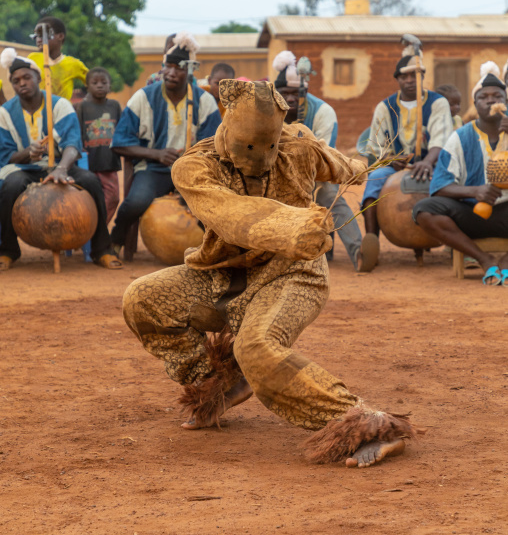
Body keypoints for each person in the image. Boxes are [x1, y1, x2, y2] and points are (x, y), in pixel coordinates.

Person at [122, 79, 419, 468]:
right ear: (227, 128)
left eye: (271, 146)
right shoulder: (194, 166)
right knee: (141, 298)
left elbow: (339, 163)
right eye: (250, 148)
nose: (262, 158)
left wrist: (363, 165)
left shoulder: (299, 144)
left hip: (293, 273)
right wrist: (295, 224)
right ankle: (221, 382)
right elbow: (229, 214)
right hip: (224, 275)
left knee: (255, 348)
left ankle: (373, 425)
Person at [0, 49, 121, 270]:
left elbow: (73, 144)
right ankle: (8, 250)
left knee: (92, 182)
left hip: (60, 164)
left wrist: (62, 169)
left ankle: (101, 249)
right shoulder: (5, 113)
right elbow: (5, 155)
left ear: (39, 77)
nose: (22, 83)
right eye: (16, 81)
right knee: (10, 186)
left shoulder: (59, 105)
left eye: (27, 77)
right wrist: (28, 152)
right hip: (23, 167)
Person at [110, 32, 222, 253]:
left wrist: (191, 171)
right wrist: (157, 154)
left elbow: (213, 147)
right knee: (135, 202)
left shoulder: (205, 101)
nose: (171, 73)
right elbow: (119, 142)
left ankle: (212, 255)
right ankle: (115, 242)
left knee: (210, 210)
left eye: (178, 68)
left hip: (193, 172)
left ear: (189, 70)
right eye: (168, 66)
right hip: (154, 169)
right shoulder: (143, 97)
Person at [271, 51, 376, 272]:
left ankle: (359, 253)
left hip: (318, 171)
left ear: (305, 92)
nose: (290, 98)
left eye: (295, 93)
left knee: (329, 195)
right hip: (275, 171)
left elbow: (321, 155)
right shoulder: (267, 111)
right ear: (275, 93)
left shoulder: (323, 112)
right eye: (284, 93)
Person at [414, 62, 508, 286]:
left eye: (497, 96)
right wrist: (476, 191)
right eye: (484, 97)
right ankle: (484, 260)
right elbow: (439, 187)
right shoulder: (459, 138)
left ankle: (506, 262)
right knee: (424, 209)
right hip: (472, 213)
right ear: (475, 104)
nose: (491, 100)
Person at [361, 54, 454, 264]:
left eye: (414, 75)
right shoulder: (384, 107)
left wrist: (427, 162)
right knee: (373, 183)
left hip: (433, 163)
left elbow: (441, 139)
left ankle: (457, 245)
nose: (409, 80)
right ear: (398, 80)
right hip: (394, 167)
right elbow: (376, 147)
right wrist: (391, 160)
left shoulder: (438, 103)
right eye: (404, 77)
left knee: (455, 186)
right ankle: (371, 244)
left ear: (422, 77)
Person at [76, 67, 122, 224]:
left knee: (113, 198)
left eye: (104, 82)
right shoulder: (82, 107)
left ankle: (98, 229)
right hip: (88, 164)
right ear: (87, 86)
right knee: (87, 199)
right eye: (95, 82)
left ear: (110, 86)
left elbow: (122, 131)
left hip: (109, 162)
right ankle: (86, 230)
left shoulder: (114, 106)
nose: (100, 85)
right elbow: (78, 133)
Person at [28, 16, 88, 101]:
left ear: (60, 36)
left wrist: (84, 106)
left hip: (62, 112)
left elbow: (92, 82)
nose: (39, 39)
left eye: (43, 34)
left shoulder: (73, 64)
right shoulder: (32, 59)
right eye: (37, 35)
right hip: (39, 111)